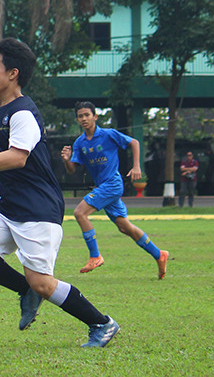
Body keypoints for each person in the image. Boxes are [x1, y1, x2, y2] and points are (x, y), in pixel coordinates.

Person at [0, 39, 120, 347]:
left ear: (13, 74)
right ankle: (25, 290)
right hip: (10, 208)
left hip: (38, 208)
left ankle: (102, 323)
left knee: (44, 283)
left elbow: (17, 158)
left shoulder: (23, 113)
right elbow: (0, 164)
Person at [61, 102, 169, 280]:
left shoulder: (108, 134)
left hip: (112, 184)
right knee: (125, 227)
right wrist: (66, 159)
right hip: (103, 187)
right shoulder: (80, 143)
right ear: (78, 120)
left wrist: (136, 166)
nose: (84, 119)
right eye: (80, 116)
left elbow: (134, 142)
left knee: (80, 213)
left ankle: (95, 256)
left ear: (95, 117)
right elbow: (72, 169)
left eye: (87, 115)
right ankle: (159, 255)